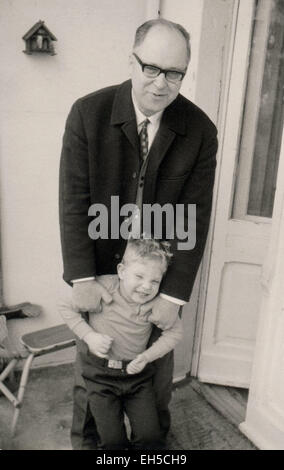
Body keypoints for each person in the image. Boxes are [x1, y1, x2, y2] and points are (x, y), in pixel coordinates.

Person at [59, 18, 218, 449]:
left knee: (153, 391)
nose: (161, 83)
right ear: (131, 60)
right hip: (100, 283)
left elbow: (195, 217)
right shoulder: (87, 114)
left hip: (155, 286)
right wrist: (82, 278)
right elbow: (73, 200)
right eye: (151, 68)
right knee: (91, 391)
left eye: (174, 73)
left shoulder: (200, 130)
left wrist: (173, 297)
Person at [59, 238, 182, 449]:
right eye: (139, 276)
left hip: (138, 379)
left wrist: (147, 356)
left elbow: (175, 332)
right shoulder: (105, 286)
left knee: (149, 437)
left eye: (155, 281)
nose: (146, 287)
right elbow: (65, 305)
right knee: (112, 441)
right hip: (100, 378)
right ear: (122, 270)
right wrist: (89, 336)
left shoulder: (155, 302)